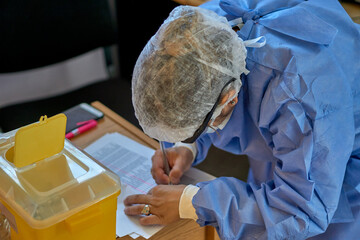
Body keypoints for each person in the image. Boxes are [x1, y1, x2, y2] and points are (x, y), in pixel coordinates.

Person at [124, 0, 360, 239]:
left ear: (230, 99)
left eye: (192, 131)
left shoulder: (298, 100)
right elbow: (197, 91)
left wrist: (190, 202)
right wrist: (186, 146)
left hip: (337, 166)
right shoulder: (205, 30)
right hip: (294, 138)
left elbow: (300, 210)